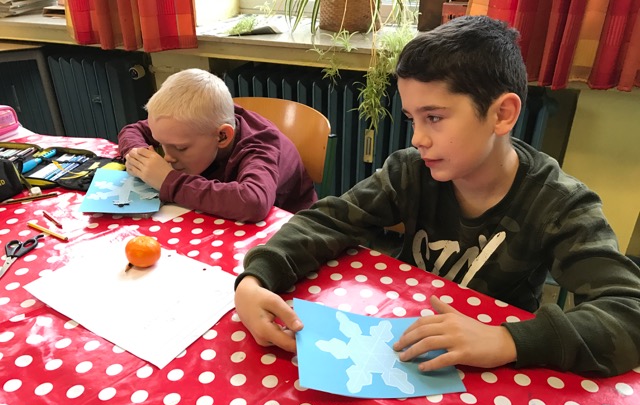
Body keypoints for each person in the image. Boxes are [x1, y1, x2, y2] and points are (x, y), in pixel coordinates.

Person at [233, 15, 640, 378]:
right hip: (407, 347)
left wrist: (506, 340)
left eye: (434, 117)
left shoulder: (559, 204)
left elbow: (629, 312)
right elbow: (328, 218)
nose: (418, 138)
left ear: (502, 114)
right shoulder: (411, 171)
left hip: (493, 371)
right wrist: (254, 280)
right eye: (413, 118)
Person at [118, 68, 317, 222]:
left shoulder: (259, 145)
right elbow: (132, 130)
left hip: (289, 232)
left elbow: (253, 203)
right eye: (161, 143)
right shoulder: (189, 124)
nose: (167, 158)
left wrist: (168, 181)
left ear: (222, 136)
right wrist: (138, 155)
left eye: (180, 148)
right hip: (220, 217)